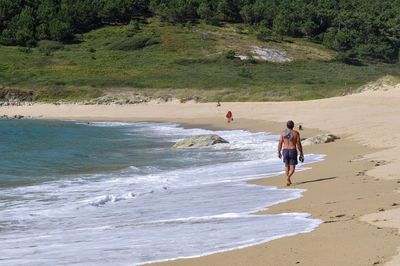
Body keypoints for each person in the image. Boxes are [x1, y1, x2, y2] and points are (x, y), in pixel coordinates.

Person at [278, 120, 304, 186]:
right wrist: (301, 152)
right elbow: (298, 143)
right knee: (292, 168)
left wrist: (279, 152)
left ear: (287, 126)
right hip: (292, 150)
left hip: (285, 150)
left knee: (287, 166)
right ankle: (288, 177)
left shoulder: (283, 133)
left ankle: (288, 180)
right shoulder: (296, 133)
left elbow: (280, 143)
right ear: (293, 126)